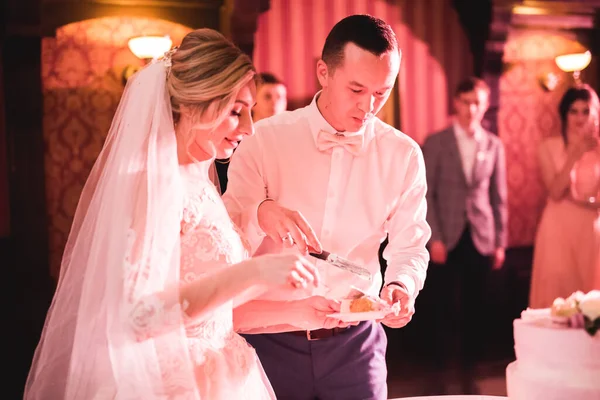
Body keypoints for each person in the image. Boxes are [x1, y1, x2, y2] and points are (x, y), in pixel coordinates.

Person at [23, 29, 341, 400]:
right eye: (236, 111)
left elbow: (215, 317)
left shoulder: (202, 185)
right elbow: (138, 319)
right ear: (193, 105)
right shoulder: (148, 186)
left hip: (227, 376)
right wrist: (252, 271)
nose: (249, 128)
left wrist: (299, 314)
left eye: (250, 112)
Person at [223, 14, 430, 400]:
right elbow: (225, 239)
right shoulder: (263, 141)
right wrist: (261, 213)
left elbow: (410, 243)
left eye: (381, 93)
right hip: (268, 339)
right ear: (323, 72)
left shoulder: (403, 156)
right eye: (356, 89)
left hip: (356, 344)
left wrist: (402, 284)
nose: (369, 106)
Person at [421, 76, 508, 394]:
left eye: (477, 102)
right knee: (445, 306)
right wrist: (435, 238)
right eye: (466, 101)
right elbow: (426, 194)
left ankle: (471, 371)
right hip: (447, 236)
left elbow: (499, 196)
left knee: (477, 305)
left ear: (484, 106)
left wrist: (500, 241)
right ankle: (444, 373)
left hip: (481, 235)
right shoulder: (436, 142)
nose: (471, 108)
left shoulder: (494, 144)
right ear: (456, 103)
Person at [530, 84, 600, 308]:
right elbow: (555, 191)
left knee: (590, 300)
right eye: (573, 111)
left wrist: (587, 202)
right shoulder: (548, 147)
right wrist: (575, 154)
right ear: (564, 114)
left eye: (585, 111)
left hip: (591, 230)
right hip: (557, 229)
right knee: (557, 295)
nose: (579, 117)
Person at [215, 72, 288, 193]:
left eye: (280, 97)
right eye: (267, 97)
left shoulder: (290, 139)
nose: (275, 103)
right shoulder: (233, 138)